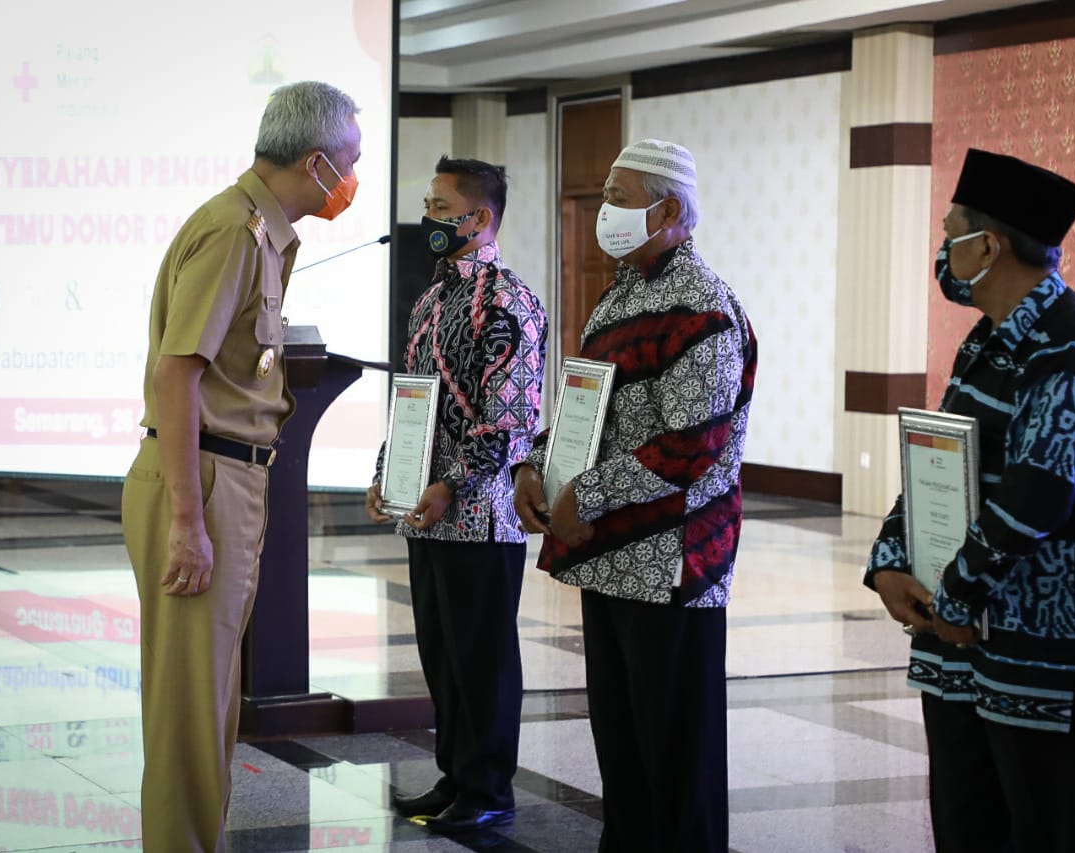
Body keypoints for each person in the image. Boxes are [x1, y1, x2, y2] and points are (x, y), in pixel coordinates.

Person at [865, 148, 1075, 853]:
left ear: (987, 245)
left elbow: (1035, 498)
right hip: (965, 650)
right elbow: (940, 455)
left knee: (1058, 834)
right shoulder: (986, 341)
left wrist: (954, 599)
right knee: (969, 829)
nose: (942, 248)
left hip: (1054, 657)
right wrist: (893, 555)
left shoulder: (1072, 345)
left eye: (949, 230)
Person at [121, 81, 361, 851]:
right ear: (317, 161)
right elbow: (176, 374)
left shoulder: (261, 232)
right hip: (205, 481)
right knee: (190, 708)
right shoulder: (233, 232)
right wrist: (189, 523)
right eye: (351, 163)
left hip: (232, 478)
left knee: (211, 698)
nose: (354, 181)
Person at [513, 139, 757, 853]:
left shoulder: (704, 311)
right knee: (623, 751)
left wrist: (583, 495)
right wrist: (537, 465)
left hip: (671, 566)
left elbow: (690, 448)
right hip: (610, 559)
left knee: (677, 762)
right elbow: (593, 410)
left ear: (671, 210)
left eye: (620, 197)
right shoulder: (623, 292)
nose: (605, 211)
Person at [365, 156, 547, 834]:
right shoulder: (433, 297)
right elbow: (413, 401)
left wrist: (452, 483)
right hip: (429, 514)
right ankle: (455, 774)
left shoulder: (508, 302)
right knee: (442, 654)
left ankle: (488, 785)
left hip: (481, 516)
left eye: (442, 206)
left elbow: (509, 420)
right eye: (430, 203)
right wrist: (391, 470)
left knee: (482, 660)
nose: (430, 216)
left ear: (481, 218)